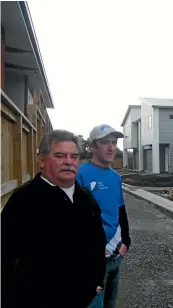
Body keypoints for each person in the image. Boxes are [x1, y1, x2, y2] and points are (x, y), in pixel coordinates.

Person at [1, 130, 107, 308]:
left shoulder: (85, 197)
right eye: (60, 155)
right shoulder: (24, 200)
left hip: (85, 299)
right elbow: (5, 257)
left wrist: (97, 283)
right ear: (41, 160)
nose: (68, 162)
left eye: (74, 156)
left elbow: (97, 242)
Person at [77, 124, 131, 308]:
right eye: (105, 143)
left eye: (114, 142)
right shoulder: (80, 174)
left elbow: (120, 211)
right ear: (92, 146)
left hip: (116, 258)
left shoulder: (115, 177)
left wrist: (126, 242)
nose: (111, 147)